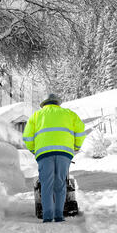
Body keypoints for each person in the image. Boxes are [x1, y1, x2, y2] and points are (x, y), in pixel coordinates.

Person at [23, 93, 86, 223]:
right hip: (64, 153)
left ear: (44, 104)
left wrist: (35, 150)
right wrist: (76, 146)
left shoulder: (36, 116)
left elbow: (27, 137)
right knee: (61, 184)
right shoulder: (69, 113)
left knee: (46, 185)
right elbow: (80, 130)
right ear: (57, 103)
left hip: (44, 154)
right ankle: (59, 216)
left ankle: (47, 217)